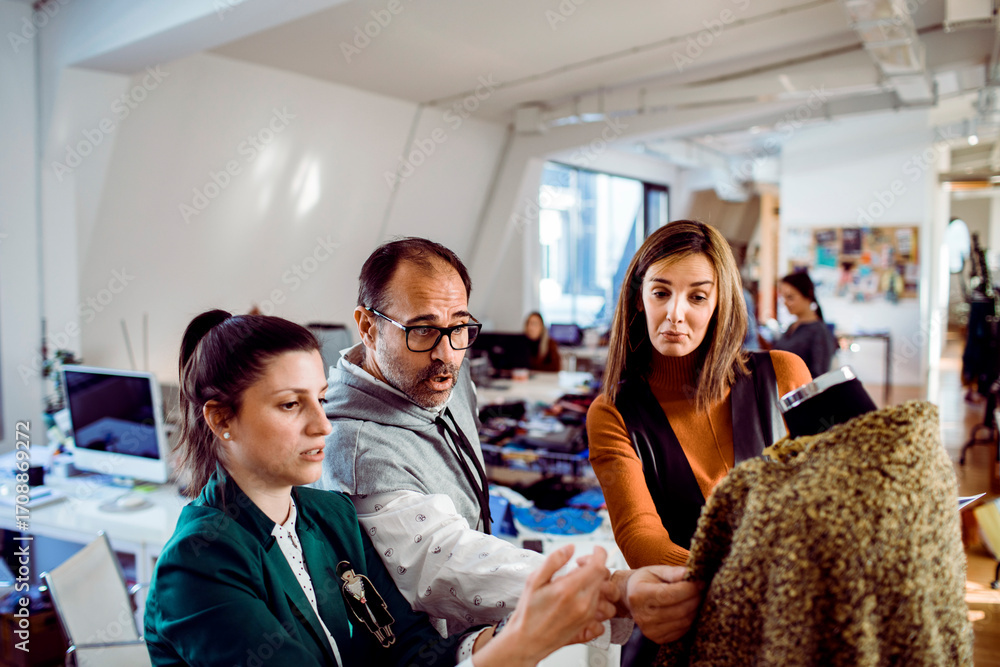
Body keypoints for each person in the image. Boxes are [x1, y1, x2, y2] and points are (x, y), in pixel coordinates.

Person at [144, 310, 617, 667]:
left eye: (321, 400)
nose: (322, 425)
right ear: (221, 419)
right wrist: (515, 651)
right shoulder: (198, 565)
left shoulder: (330, 516)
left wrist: (515, 631)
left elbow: (410, 648)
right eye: (290, 405)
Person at [317, 237, 702, 647]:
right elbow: (443, 559)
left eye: (459, 326)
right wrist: (609, 590)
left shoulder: (441, 375)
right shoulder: (356, 449)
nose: (446, 354)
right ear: (367, 327)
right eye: (423, 329)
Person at [587, 221, 813, 571]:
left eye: (697, 297)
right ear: (639, 298)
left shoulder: (784, 374)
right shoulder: (613, 413)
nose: (675, 314)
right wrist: (745, 583)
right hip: (695, 602)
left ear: (719, 303)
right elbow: (641, 538)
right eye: (661, 293)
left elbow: (831, 493)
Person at [769, 271, 837, 379]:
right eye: (784, 298)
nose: (785, 302)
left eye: (790, 297)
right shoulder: (792, 326)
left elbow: (819, 376)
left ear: (808, 295)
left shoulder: (819, 332)